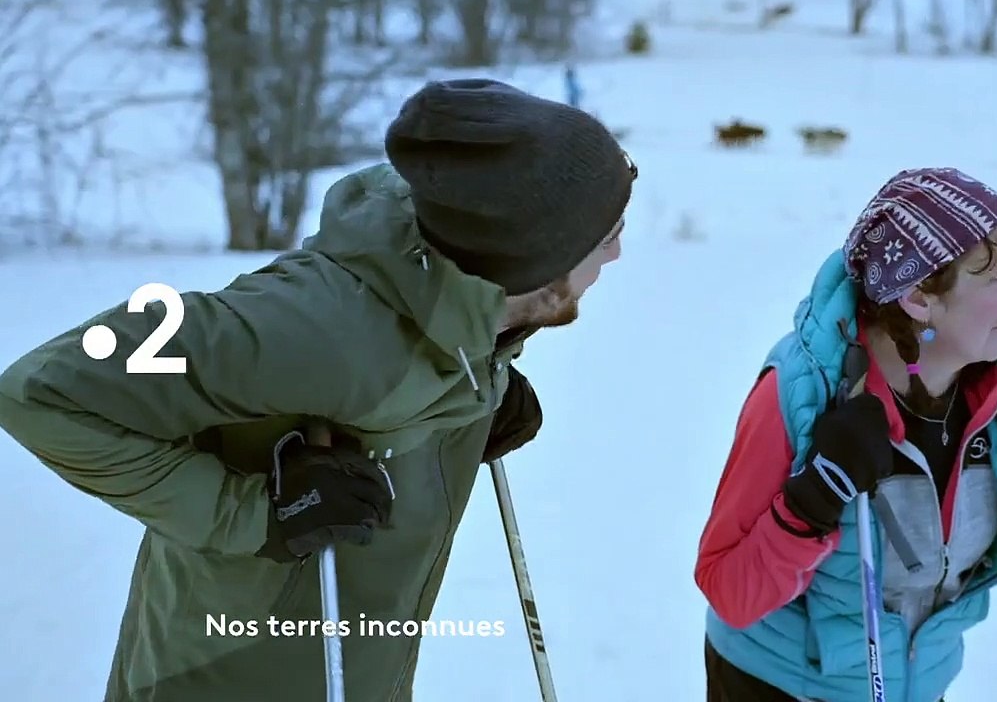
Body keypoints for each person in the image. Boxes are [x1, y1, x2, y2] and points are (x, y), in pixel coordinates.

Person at [0, 77, 637, 701]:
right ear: (537, 260)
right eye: (606, 236)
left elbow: (411, 361)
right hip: (227, 677)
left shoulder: (460, 301)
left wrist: (476, 394)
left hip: (356, 667)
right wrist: (255, 514)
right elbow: (41, 391)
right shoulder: (308, 323)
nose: (616, 255)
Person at [694, 167, 997, 702]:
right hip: (782, 685)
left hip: (917, 682)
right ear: (919, 295)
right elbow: (729, 590)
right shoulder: (801, 392)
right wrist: (812, 502)